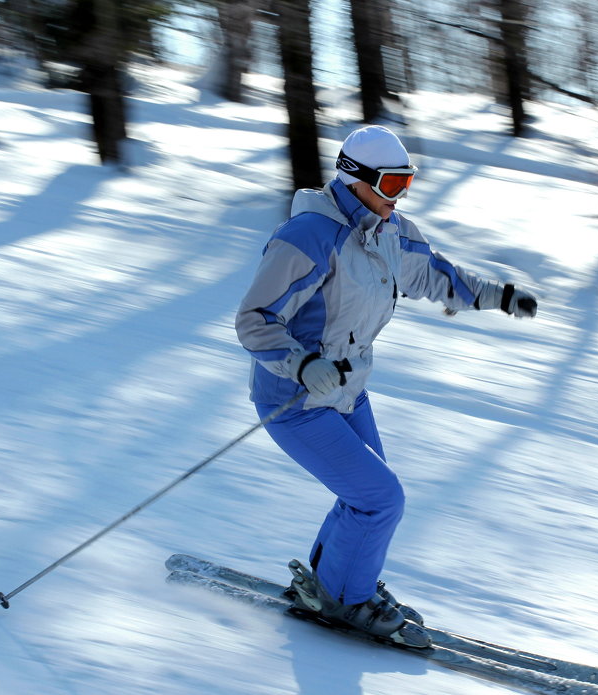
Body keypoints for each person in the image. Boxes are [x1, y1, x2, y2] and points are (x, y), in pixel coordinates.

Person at [234, 125, 537, 648]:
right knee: (379, 497)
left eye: (407, 185)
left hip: (348, 391)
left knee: (365, 496)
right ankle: (347, 599)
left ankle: (335, 583)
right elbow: (254, 319)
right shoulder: (308, 236)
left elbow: (438, 276)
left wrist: (499, 296)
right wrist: (302, 364)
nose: (400, 198)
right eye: (392, 185)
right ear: (355, 179)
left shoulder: (389, 231)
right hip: (297, 398)